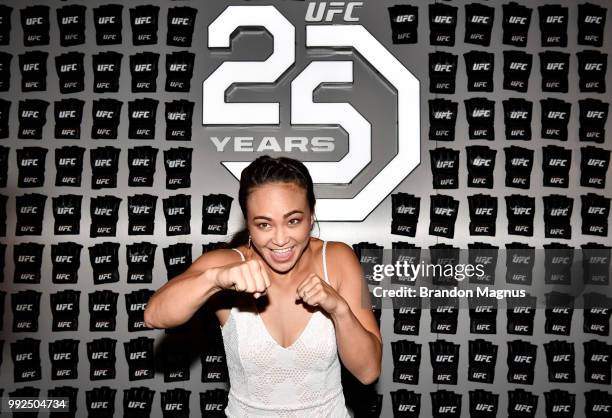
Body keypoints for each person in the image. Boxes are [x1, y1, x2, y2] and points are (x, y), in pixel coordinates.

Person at [144, 155, 382, 417]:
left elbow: (368, 371)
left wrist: (339, 309)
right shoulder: (227, 264)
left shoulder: (337, 260)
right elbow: (154, 315)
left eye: (293, 221)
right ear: (248, 223)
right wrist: (214, 279)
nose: (280, 239)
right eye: (264, 224)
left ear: (311, 216)